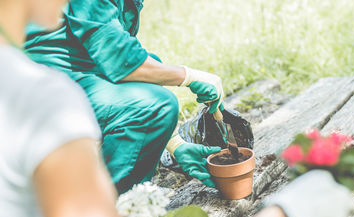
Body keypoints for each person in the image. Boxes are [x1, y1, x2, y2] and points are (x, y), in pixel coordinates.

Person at [0, 0, 352, 217]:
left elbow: (124, 56)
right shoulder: (46, 99)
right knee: (157, 103)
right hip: (67, 80)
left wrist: (175, 145)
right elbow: (119, 61)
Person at [25, 0, 226, 194]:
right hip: (44, 86)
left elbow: (122, 47)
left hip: (76, 75)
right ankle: (110, 210)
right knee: (155, 107)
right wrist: (187, 76)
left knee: (153, 66)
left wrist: (176, 143)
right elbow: (121, 60)